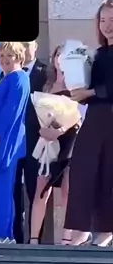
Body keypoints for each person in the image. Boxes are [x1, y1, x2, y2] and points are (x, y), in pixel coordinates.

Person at [63, 0, 113, 247]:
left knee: (109, 174)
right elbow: (87, 89)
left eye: (112, 20)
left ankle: (106, 231)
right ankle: (80, 230)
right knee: (83, 171)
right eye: (103, 20)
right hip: (94, 119)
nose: (107, 25)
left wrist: (90, 92)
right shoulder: (98, 54)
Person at [29, 45, 80, 246]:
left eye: (64, 55)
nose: (60, 58)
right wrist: (43, 130)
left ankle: (66, 239)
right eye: (58, 54)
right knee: (41, 189)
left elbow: (79, 114)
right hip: (48, 142)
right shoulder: (46, 84)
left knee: (67, 190)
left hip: (70, 139)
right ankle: (34, 239)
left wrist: (60, 130)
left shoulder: (77, 84)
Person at [0, 42, 30, 243]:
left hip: (1, 143)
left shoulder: (19, 78)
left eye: (9, 55)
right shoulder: (6, 79)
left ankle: (2, 234)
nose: (4, 60)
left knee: (1, 190)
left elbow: (11, 111)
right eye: (1, 56)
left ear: (19, 57)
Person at [12, 40, 48, 243]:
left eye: (27, 44)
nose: (24, 49)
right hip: (14, 143)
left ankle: (35, 240)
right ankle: (15, 238)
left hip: (37, 142)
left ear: (35, 46)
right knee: (14, 192)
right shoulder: (9, 72)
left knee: (36, 191)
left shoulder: (46, 72)